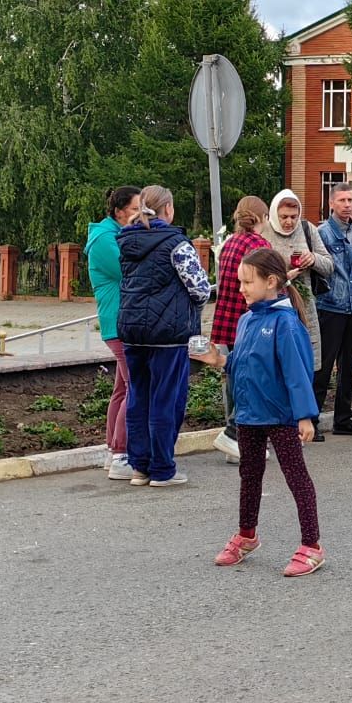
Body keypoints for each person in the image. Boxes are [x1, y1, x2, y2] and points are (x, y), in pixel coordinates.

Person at [190, 248, 325, 577]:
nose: (240, 289)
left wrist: (305, 416)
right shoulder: (247, 319)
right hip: (249, 415)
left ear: (271, 282)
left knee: (297, 478)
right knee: (249, 477)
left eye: (247, 282)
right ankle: (247, 535)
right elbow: (242, 362)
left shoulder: (286, 323)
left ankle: (312, 546)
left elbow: (298, 373)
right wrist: (220, 360)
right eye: (238, 282)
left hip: (280, 416)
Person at [116, 185, 210, 487]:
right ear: (167, 208)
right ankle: (162, 468)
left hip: (132, 330)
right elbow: (200, 288)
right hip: (168, 334)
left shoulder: (125, 240)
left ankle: (139, 467)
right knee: (166, 400)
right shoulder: (177, 243)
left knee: (138, 397)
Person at [209, 196, 271, 462]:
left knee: (234, 376)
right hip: (254, 319)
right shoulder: (260, 246)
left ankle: (235, 440)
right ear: (263, 218)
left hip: (230, 318)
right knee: (255, 379)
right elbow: (269, 286)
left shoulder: (229, 243)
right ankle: (237, 436)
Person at [86, 185, 141, 481]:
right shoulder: (105, 239)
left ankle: (113, 450)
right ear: (119, 212)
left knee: (122, 388)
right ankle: (121, 454)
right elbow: (131, 270)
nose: (140, 215)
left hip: (122, 320)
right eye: (135, 210)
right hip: (120, 322)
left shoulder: (112, 235)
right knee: (135, 387)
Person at [313, 182, 352, 437]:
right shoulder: (323, 233)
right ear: (332, 202)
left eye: (351, 200)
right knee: (323, 366)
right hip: (330, 306)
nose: (348, 205)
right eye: (343, 200)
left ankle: (343, 417)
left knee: (348, 365)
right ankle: (310, 419)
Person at [261, 189, 333, 368]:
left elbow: (330, 266)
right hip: (273, 308)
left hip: (304, 308)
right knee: (276, 363)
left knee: (305, 363)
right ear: (274, 214)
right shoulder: (264, 232)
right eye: (284, 216)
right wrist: (283, 276)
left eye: (294, 217)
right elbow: (255, 273)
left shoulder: (308, 229)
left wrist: (313, 259)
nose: (289, 222)